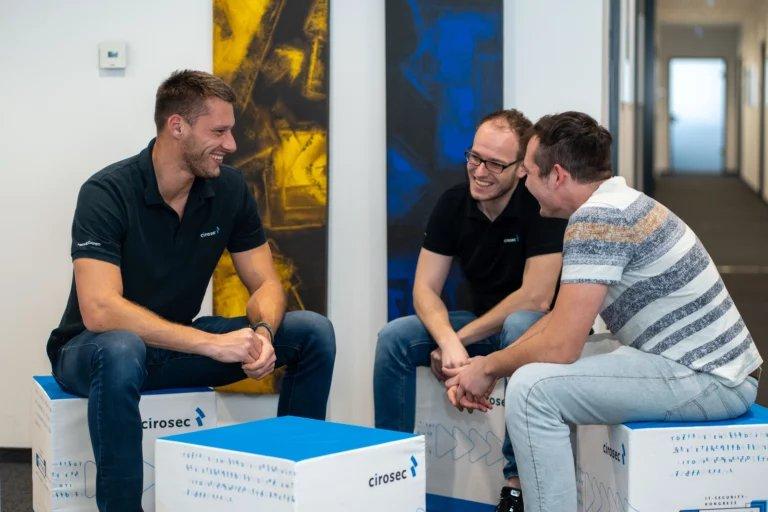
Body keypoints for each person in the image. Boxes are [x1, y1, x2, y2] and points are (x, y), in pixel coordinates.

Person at [46, 70, 336, 512]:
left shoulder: (230, 189)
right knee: (122, 347)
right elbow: (100, 310)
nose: (231, 144)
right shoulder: (107, 192)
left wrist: (262, 333)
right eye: (218, 131)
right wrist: (212, 344)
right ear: (177, 126)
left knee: (312, 331)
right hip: (92, 353)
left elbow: (265, 283)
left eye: (231, 131)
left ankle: (293, 493)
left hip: (174, 347)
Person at [444, 111, 763, 512]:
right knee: (530, 363)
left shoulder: (598, 219)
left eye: (528, 172)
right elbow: (561, 322)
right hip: (702, 367)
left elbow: (561, 346)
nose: (523, 180)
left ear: (557, 175)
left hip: (711, 379)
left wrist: (488, 367)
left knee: (532, 391)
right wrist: (489, 366)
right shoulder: (614, 203)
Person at [374, 109, 568, 512]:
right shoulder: (452, 202)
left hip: (536, 332)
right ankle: (391, 477)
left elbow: (535, 297)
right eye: (474, 157)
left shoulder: (541, 206)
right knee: (394, 338)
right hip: (480, 326)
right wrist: (448, 341)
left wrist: (459, 339)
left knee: (519, 322)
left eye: (495, 164)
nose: (479, 171)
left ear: (521, 169)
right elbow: (425, 288)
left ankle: (516, 484)